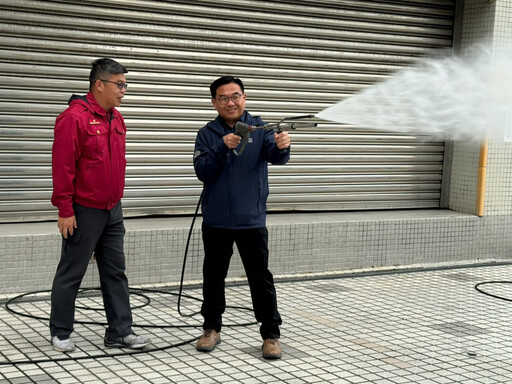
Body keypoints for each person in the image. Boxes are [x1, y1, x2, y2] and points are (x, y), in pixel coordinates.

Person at [49, 58, 150, 352]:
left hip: (112, 209)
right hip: (83, 210)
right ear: (99, 85)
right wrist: (65, 210)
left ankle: (120, 331)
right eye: (119, 84)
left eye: (125, 84)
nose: (123, 90)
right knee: (72, 270)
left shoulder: (116, 118)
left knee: (115, 271)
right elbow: (63, 167)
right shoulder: (74, 118)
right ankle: (61, 331)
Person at [193, 76, 291, 359]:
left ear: (244, 98)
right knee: (213, 277)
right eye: (223, 98)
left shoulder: (260, 128)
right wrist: (222, 146)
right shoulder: (207, 133)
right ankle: (211, 328)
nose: (230, 102)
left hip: (251, 219)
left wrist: (283, 145)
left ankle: (271, 334)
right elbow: (203, 172)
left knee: (260, 278)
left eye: (235, 96)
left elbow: (276, 156)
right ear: (214, 102)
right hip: (216, 220)